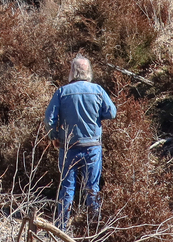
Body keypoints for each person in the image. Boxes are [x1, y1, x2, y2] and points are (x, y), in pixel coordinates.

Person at [44, 54, 118, 228]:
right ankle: (94, 227)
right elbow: (112, 113)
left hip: (69, 147)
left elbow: (49, 119)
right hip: (92, 147)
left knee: (67, 188)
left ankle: (61, 228)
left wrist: (54, 136)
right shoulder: (98, 90)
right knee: (92, 189)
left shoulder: (62, 92)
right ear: (88, 72)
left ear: (72, 72)